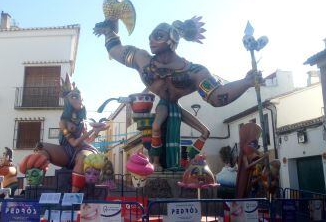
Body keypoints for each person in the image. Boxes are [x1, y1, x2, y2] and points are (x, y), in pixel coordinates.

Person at [94, 17, 262, 170]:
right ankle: (156, 163)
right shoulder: (142, 58)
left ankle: (186, 162)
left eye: (158, 36)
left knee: (205, 132)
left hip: (174, 108)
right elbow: (116, 50)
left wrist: (245, 82)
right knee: (156, 126)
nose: (151, 41)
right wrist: (109, 32)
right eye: (150, 37)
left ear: (172, 37)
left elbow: (216, 97)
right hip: (163, 108)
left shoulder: (195, 71)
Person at [23, 75, 108, 192]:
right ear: (68, 101)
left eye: (80, 98)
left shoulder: (84, 122)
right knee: (41, 149)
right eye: (75, 97)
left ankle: (73, 194)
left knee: (83, 157)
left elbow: (86, 142)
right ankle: (35, 187)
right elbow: (73, 143)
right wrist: (93, 130)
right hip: (67, 150)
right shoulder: (63, 122)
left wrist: (96, 132)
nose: (80, 100)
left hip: (82, 150)